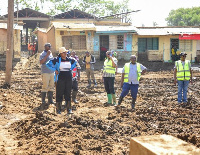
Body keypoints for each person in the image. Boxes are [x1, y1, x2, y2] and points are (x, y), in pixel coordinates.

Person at [46, 47, 76, 114]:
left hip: (68, 77)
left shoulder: (70, 59)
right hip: (60, 77)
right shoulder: (56, 60)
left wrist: (71, 68)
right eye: (64, 52)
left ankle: (69, 109)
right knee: (59, 93)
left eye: (66, 52)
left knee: (68, 93)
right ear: (60, 53)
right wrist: (55, 70)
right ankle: (58, 109)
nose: (65, 54)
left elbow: (75, 62)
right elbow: (48, 64)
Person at [39, 43, 55, 110]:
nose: (50, 47)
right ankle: (43, 100)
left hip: (51, 72)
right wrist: (47, 55)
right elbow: (41, 62)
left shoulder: (51, 53)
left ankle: (50, 100)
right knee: (45, 86)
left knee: (51, 86)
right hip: (45, 72)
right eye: (49, 46)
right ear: (46, 47)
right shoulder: (43, 54)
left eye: (50, 46)